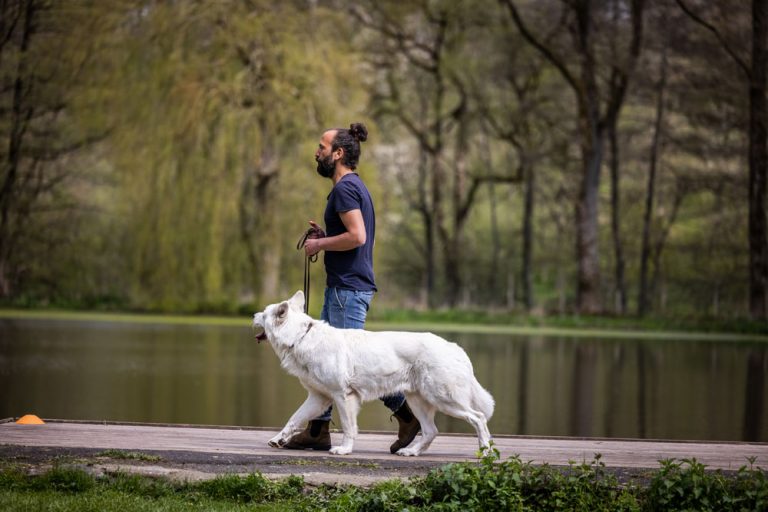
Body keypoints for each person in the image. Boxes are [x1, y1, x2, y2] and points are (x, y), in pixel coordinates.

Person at [285, 122, 421, 454]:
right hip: (344, 288)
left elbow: (357, 236)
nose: (317, 151)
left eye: (322, 146)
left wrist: (320, 245)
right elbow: (351, 235)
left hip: (348, 291)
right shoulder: (353, 187)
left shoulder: (345, 189)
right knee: (327, 363)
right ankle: (318, 431)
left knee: (348, 367)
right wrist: (325, 237)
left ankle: (407, 416)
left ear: (339, 153)